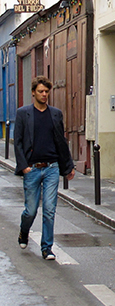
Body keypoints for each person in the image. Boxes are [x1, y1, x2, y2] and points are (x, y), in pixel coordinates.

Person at [14, 76, 75, 260]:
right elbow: (17, 143)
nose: (44, 95)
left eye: (46, 92)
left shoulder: (55, 114)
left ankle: (46, 248)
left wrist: (68, 167)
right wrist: (24, 167)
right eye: (40, 91)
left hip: (51, 168)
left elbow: (61, 142)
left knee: (49, 209)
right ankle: (24, 232)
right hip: (32, 169)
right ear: (33, 93)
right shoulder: (23, 113)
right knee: (30, 210)